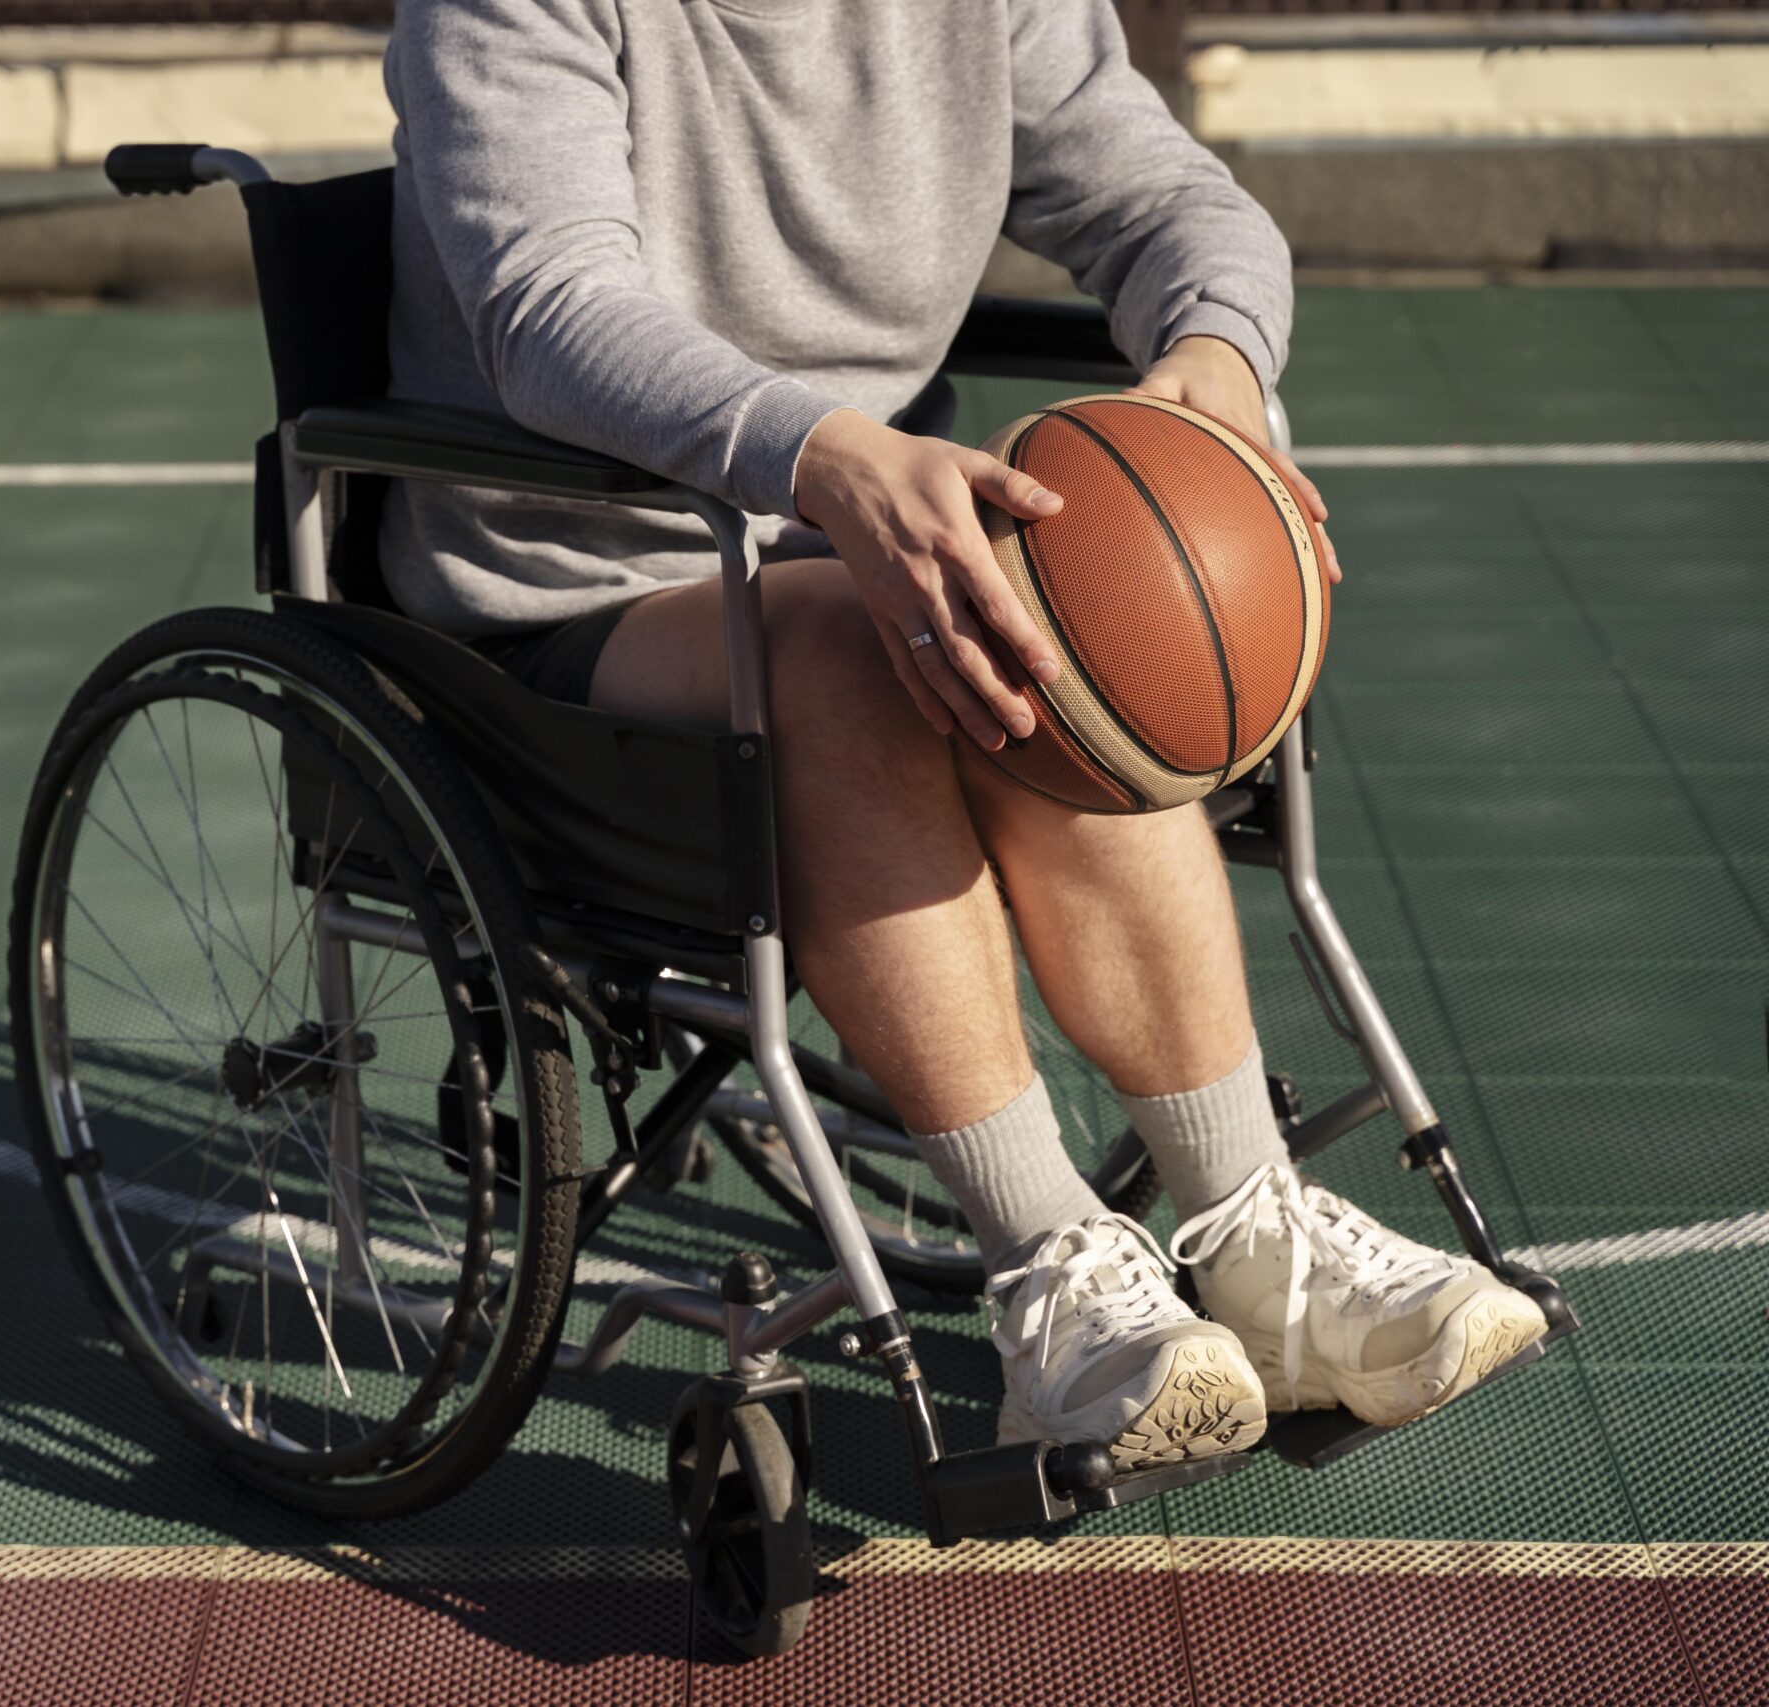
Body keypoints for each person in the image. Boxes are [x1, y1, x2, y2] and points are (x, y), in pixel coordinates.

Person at [379, 0, 1546, 1466]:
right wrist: (824, 456)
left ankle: (1260, 1245)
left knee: (1062, 630)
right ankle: (1052, 1276)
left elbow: (1173, 203)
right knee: (898, 645)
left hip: (856, 542)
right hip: (581, 586)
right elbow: (546, 309)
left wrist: (1220, 359)